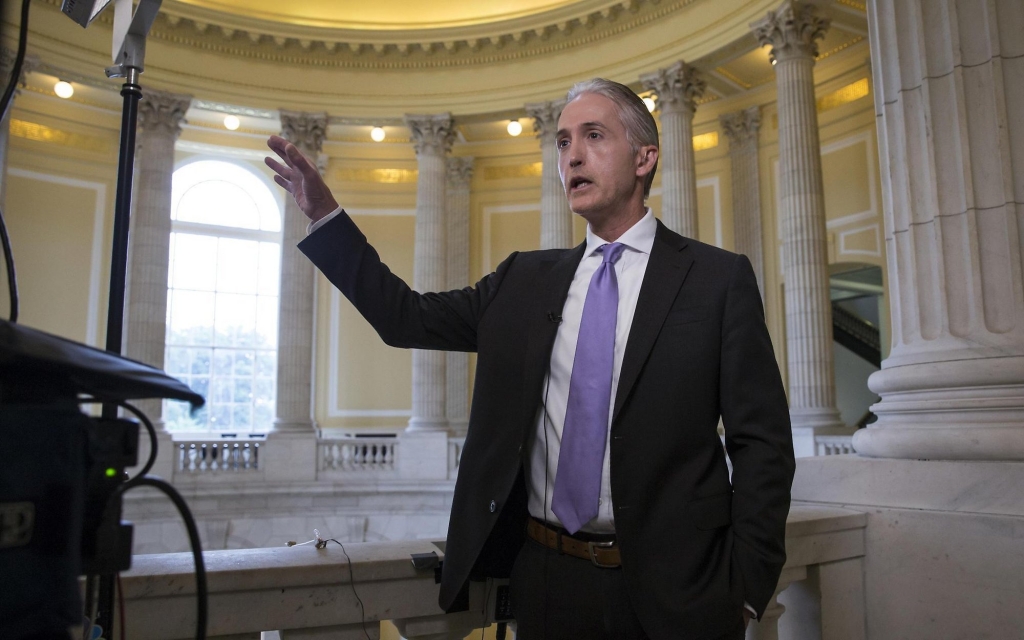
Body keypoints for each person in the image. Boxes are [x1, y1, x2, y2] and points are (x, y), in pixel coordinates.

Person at [266, 78, 794, 640]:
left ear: (646, 158)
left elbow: (762, 444)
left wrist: (745, 592)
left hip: (678, 594)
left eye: (594, 136)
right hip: (546, 582)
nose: (573, 155)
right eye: (564, 142)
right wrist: (326, 219)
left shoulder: (716, 280)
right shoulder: (524, 280)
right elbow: (405, 317)